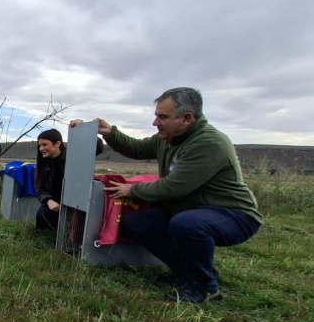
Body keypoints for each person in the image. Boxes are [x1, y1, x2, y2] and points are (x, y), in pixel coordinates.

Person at [70, 87, 262, 303]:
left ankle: (204, 286)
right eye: (156, 116)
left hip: (232, 214)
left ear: (187, 118)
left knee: (187, 224)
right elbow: (137, 149)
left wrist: (131, 190)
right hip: (191, 210)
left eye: (162, 117)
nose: (155, 123)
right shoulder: (169, 138)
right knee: (135, 224)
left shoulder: (209, 143)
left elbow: (174, 187)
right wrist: (111, 133)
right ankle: (185, 273)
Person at [33, 129, 103, 231]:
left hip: (79, 202)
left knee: (79, 228)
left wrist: (81, 129)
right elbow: (39, 189)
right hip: (56, 203)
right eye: (40, 145)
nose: (41, 148)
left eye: (44, 144)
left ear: (57, 144)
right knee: (42, 215)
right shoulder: (42, 165)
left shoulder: (74, 156)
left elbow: (97, 145)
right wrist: (49, 201)